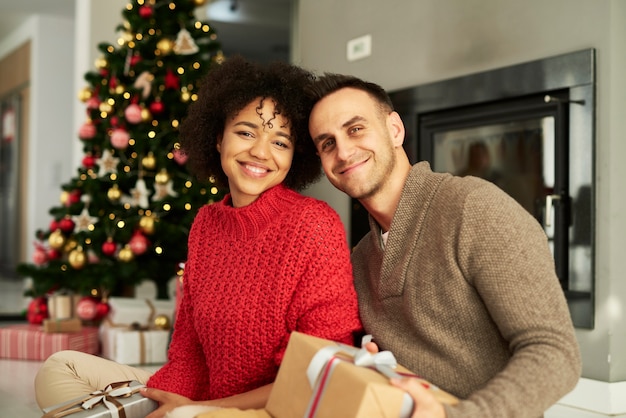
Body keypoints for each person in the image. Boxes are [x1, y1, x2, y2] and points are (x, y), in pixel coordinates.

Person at [34, 56, 362, 418]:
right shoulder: (206, 224)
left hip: (270, 410)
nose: (260, 152)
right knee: (60, 369)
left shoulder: (314, 225)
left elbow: (317, 374)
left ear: (294, 156)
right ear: (218, 138)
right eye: (246, 132)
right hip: (202, 404)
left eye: (280, 142)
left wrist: (197, 410)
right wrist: (160, 401)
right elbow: (189, 352)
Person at [305, 73, 581, 418]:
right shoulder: (359, 259)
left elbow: (555, 352)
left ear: (394, 130)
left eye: (356, 129)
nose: (343, 151)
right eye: (327, 143)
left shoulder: (474, 209)